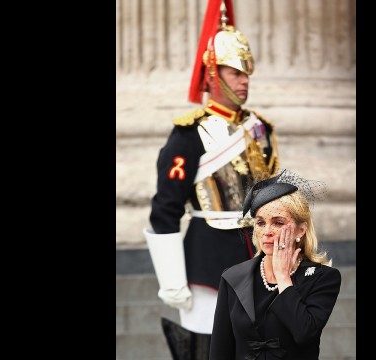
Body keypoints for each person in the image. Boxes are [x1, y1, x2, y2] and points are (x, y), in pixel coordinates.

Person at [142, 0, 280, 358]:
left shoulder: (259, 128)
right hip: (208, 260)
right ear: (214, 74)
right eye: (235, 72)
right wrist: (172, 281)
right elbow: (165, 209)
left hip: (261, 256)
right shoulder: (188, 135)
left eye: (246, 72)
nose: (244, 80)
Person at [209, 170, 341, 360]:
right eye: (260, 223)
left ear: (300, 230)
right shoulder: (234, 277)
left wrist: (283, 278)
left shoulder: (323, 278)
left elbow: (304, 333)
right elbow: (220, 350)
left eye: (278, 223)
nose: (267, 231)